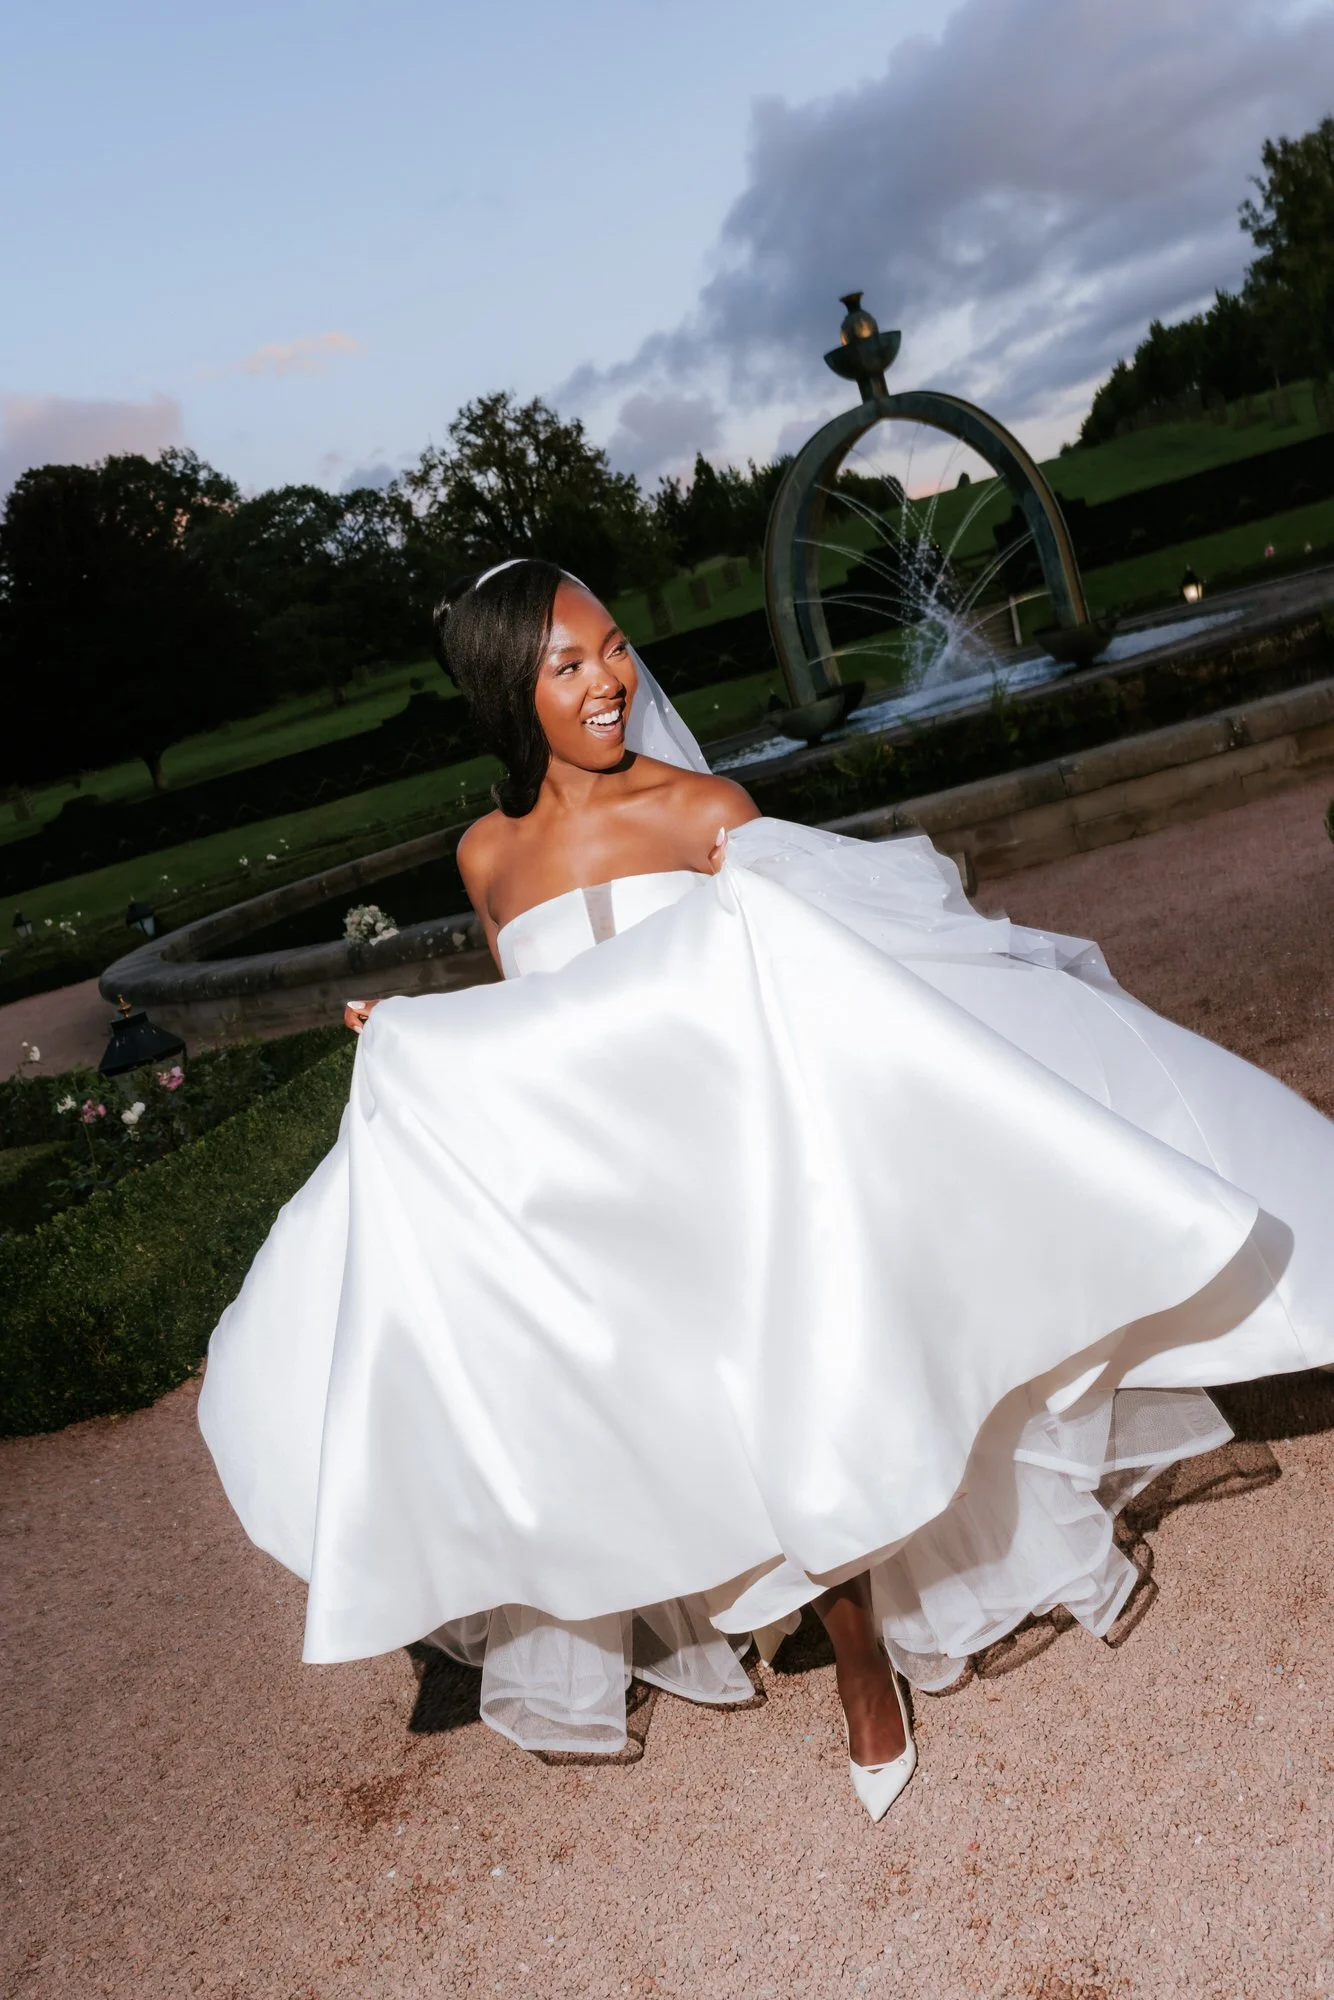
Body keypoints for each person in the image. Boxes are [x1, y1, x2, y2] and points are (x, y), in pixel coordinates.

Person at [200, 558, 1334, 1822]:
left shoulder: (704, 811)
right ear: (505, 691)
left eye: (613, 645)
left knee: (777, 1360)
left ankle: (859, 1658)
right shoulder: (484, 855)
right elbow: (535, 1022)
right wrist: (415, 1037)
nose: (608, 680)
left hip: (734, 1148)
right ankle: (768, 1593)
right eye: (566, 664)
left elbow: (820, 963)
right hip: (600, 1182)